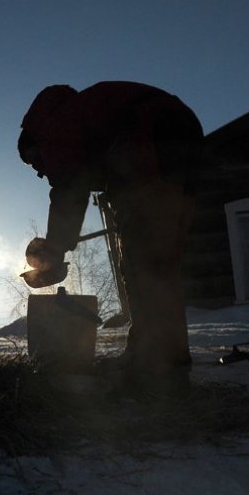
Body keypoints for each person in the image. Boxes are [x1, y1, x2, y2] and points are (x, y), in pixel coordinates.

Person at [18, 81, 204, 391]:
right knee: (161, 263)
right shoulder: (86, 115)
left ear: (34, 142)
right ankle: (164, 364)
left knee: (143, 264)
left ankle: (155, 368)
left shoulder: (53, 125)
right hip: (181, 133)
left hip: (147, 139)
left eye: (34, 162)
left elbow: (69, 187)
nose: (39, 171)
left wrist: (54, 252)